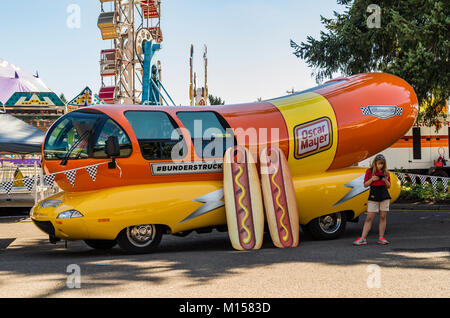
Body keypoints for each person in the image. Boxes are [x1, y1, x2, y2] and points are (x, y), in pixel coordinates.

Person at [353, 154, 391, 246]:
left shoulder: (386, 173)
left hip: (384, 195)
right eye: (379, 164)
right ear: (375, 163)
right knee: (369, 217)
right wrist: (372, 179)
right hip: (373, 195)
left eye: (382, 164)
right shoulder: (369, 171)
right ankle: (363, 238)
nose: (380, 166)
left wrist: (385, 180)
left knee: (382, 217)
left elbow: (389, 186)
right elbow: (365, 184)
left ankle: (381, 238)